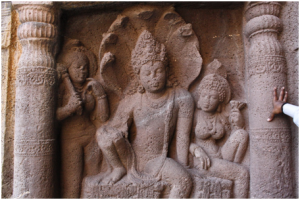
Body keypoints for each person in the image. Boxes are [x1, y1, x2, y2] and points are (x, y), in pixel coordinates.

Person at [96, 30, 193, 198]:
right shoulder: (133, 100)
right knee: (102, 133)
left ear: (166, 71)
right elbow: (113, 128)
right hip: (130, 157)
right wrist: (117, 134)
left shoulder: (182, 97)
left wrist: (184, 165)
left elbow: (183, 137)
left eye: (158, 71)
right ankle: (118, 169)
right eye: (147, 73)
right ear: (138, 76)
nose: (153, 77)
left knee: (183, 180)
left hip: (157, 160)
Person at [56, 40, 110, 198]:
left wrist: (101, 95)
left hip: (90, 136)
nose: (82, 71)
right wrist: (68, 109)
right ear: (69, 68)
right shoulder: (63, 89)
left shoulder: (90, 86)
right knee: (72, 184)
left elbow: (104, 117)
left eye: (85, 67)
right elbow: (52, 117)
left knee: (94, 179)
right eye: (77, 67)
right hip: (70, 139)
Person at [189, 72, 249, 198]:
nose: (207, 100)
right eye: (204, 96)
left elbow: (232, 139)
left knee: (241, 134)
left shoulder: (221, 117)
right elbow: (182, 140)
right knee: (242, 174)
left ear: (219, 101)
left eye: (213, 97)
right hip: (204, 161)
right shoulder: (195, 116)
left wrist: (238, 123)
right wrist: (196, 149)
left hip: (220, 156)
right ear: (200, 97)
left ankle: (232, 169)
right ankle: (234, 176)